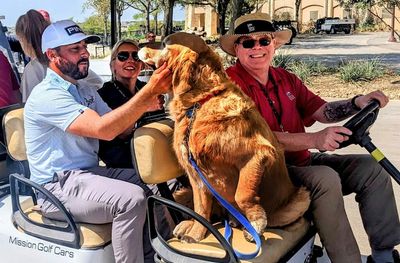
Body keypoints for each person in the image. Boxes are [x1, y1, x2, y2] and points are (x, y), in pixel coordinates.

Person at [220, 12, 400, 263]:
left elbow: (322, 111)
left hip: (300, 164)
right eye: (248, 43)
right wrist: (314, 140)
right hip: (265, 176)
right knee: (324, 178)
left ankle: (383, 255)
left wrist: (356, 103)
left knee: (370, 168)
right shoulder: (228, 85)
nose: (257, 47)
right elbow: (252, 137)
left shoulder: (285, 79)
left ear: (275, 44)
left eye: (264, 40)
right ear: (237, 50)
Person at [24, 19, 172, 263]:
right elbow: (103, 130)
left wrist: (149, 102)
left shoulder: (84, 90)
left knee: (153, 182)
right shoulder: (47, 95)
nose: (84, 54)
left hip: (88, 174)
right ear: (52, 55)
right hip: (55, 187)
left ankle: (162, 256)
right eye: (75, 49)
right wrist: (146, 96)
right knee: (130, 199)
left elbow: (120, 130)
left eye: (84, 47)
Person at [97, 39, 165, 168]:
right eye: (123, 56)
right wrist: (144, 107)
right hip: (126, 163)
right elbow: (113, 132)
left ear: (142, 64)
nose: (130, 60)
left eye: (136, 56)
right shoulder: (103, 95)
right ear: (112, 65)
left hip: (157, 155)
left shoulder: (147, 88)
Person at [15, 10, 103, 103]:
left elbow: (26, 103)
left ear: (23, 40)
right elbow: (97, 82)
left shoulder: (33, 69)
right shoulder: (65, 64)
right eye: (75, 48)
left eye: (85, 46)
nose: (86, 54)